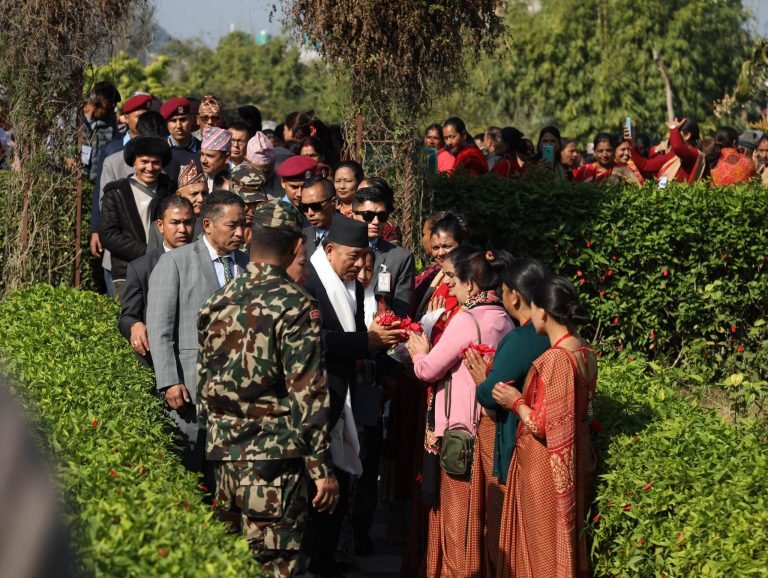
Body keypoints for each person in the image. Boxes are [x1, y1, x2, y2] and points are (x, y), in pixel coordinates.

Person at [198, 198, 339, 578]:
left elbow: (204, 384)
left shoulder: (217, 300)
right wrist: (321, 467)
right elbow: (307, 393)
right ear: (296, 247)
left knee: (230, 564)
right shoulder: (296, 306)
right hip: (272, 463)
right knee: (277, 567)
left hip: (223, 459)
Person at [302, 215, 403, 577]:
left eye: (365, 257)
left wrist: (379, 336)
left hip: (344, 396)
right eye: (354, 256)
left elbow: (359, 332)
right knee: (318, 488)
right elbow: (314, 341)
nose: (362, 266)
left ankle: (330, 559)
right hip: (315, 401)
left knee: (339, 488)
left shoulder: (354, 284)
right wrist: (366, 341)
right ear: (329, 250)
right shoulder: (309, 280)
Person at [405, 246, 514, 578]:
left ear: (472, 283)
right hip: (491, 427)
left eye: (452, 278)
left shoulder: (466, 319)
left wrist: (419, 351)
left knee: (458, 521)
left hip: (459, 434)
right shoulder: (505, 317)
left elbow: (428, 371)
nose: (448, 285)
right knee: (483, 520)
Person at [496, 275, 597, 578]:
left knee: (541, 547)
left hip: (545, 464)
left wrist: (515, 401)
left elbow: (542, 424)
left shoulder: (555, 358)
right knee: (558, 542)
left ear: (542, 311)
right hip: (576, 455)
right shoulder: (584, 351)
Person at [462, 256, 551, 576]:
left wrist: (481, 379)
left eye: (502, 290)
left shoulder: (523, 337)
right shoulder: (557, 335)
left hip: (518, 445)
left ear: (515, 295)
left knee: (507, 542)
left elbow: (490, 393)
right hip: (544, 449)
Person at [146, 191, 248, 470]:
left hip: (238, 395)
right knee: (189, 469)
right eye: (232, 226)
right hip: (190, 390)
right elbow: (159, 327)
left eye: (243, 225)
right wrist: (169, 381)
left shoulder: (248, 265)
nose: (240, 233)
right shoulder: (176, 262)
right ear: (208, 225)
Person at [118, 196, 195, 368]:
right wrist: (134, 325)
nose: (182, 229)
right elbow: (128, 315)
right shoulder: (142, 268)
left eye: (188, 222)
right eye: (175, 223)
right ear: (160, 225)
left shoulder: (207, 261)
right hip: (161, 361)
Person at [99, 135, 175, 302]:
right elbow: (108, 235)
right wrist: (148, 252)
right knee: (130, 322)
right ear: (134, 162)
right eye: (144, 162)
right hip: (127, 272)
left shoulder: (170, 190)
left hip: (164, 269)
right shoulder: (116, 193)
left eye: (156, 162)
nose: (150, 167)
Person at [90, 93, 153, 289]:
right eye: (138, 116)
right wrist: (96, 229)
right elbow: (99, 195)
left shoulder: (157, 150)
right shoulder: (112, 151)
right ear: (125, 118)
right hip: (119, 239)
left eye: (146, 115)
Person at [351, 186, 415, 318]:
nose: (376, 222)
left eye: (382, 216)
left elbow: (402, 313)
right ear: (352, 216)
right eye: (368, 216)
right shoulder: (335, 251)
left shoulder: (400, 258)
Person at [628, 118, 706, 184]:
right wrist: (632, 143)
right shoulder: (673, 155)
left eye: (677, 132)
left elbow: (678, 147)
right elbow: (645, 166)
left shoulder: (694, 154)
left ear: (687, 136)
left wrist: (673, 128)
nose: (672, 137)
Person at [230, 163, 268, 248]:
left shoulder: (269, 231)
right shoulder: (219, 230)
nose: (253, 209)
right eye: (246, 203)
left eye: (257, 203)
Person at [300, 176, 336, 256]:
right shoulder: (300, 238)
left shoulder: (351, 235)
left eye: (315, 206)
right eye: (304, 207)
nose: (310, 213)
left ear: (334, 202)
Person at [246, 131, 282, 198]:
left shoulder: (283, 185)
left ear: (274, 163)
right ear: (247, 162)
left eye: (267, 172)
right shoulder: (236, 183)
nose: (263, 178)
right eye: (258, 172)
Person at [200, 126, 232, 191]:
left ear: (227, 157)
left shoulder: (236, 182)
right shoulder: (196, 179)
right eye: (202, 154)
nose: (203, 161)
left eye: (210, 156)